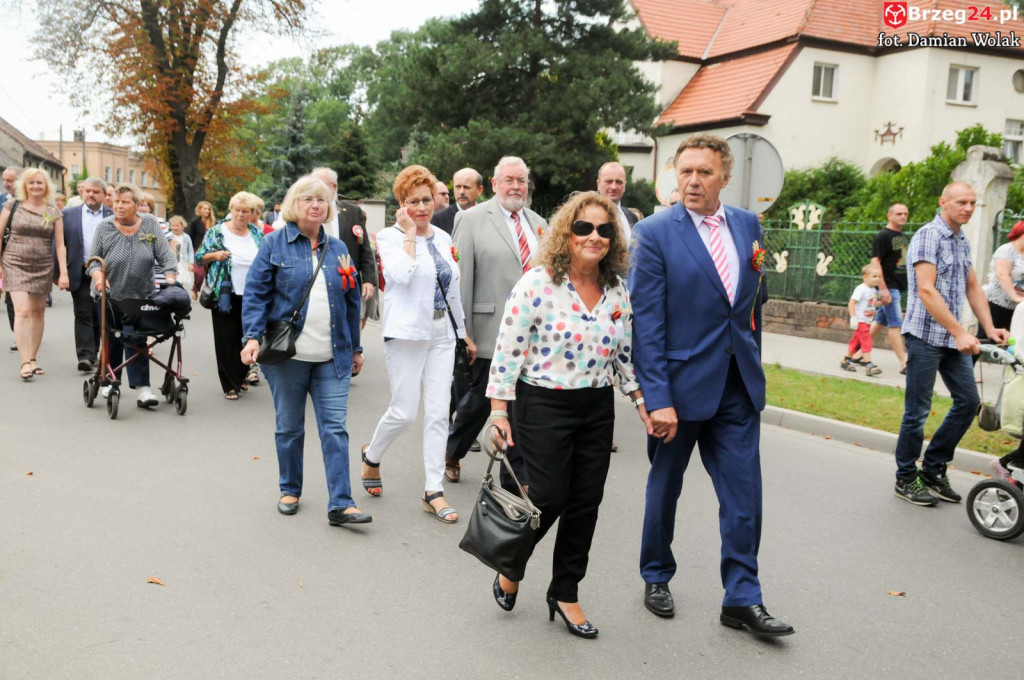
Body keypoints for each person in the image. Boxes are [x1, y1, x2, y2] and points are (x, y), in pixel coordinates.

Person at [630, 134, 794, 638]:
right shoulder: (656, 233)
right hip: (678, 390)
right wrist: (656, 397)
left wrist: (753, 362)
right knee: (666, 489)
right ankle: (656, 575)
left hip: (737, 387)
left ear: (724, 176)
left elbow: (751, 305)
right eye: (685, 172)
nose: (693, 181)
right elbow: (646, 323)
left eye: (703, 172)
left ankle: (742, 598)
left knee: (745, 496)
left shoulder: (748, 225)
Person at [486, 191, 650, 639]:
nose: (593, 236)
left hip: (596, 407)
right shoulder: (538, 283)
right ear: (567, 234)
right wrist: (499, 411)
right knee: (548, 496)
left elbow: (623, 355)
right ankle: (511, 565)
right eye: (584, 228)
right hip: (542, 404)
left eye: (604, 229)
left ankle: (565, 591)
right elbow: (507, 351)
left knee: (586, 503)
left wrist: (640, 402)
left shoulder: (616, 288)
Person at [240, 175, 370, 527]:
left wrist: (357, 347)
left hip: (332, 356)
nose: (315, 205)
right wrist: (252, 337)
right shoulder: (274, 244)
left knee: (335, 430)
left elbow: (351, 298)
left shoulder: (339, 248)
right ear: (294, 204)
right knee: (289, 428)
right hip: (287, 358)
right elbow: (255, 294)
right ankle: (290, 489)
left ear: (329, 208)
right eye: (308, 199)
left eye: (322, 200)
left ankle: (341, 502)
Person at [360, 165, 468, 524]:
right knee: (405, 411)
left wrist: (462, 332)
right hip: (407, 334)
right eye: (413, 202)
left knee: (439, 413)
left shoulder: (441, 236)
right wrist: (409, 234)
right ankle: (372, 456)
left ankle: (433, 490)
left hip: (441, 335)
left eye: (426, 200)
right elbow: (400, 276)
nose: (422, 207)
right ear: (401, 204)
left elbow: (451, 288)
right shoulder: (389, 238)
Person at [893, 181, 1010, 505]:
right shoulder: (929, 235)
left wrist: (989, 327)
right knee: (917, 412)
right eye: (961, 202)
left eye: (972, 203)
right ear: (943, 202)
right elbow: (926, 290)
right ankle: (905, 477)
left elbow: (973, 285)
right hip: (925, 337)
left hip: (952, 338)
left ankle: (932, 468)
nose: (968, 208)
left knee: (968, 402)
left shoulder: (961, 240)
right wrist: (960, 332)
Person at [445, 157, 548, 485]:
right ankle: (452, 451)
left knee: (521, 402)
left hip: (531, 332)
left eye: (521, 180)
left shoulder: (539, 223)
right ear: (494, 184)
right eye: (509, 180)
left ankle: (516, 474)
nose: (516, 186)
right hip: (489, 329)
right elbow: (461, 279)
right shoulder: (472, 219)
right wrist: (465, 334)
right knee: (478, 403)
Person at [87, 184, 177, 407]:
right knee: (111, 337)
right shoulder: (104, 227)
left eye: (124, 202)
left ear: (137, 205)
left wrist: (171, 280)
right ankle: (108, 379)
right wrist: (99, 278)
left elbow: (166, 257)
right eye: (116, 201)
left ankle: (143, 388)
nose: (118, 206)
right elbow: (93, 262)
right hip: (109, 294)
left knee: (137, 339)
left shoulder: (149, 224)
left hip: (140, 294)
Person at [0, 168, 69, 380]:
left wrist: (63, 272)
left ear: (46, 186)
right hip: (14, 262)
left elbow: (60, 245)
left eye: (39, 183)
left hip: (42, 264)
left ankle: (32, 357)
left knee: (38, 312)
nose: (35, 187)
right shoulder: (13, 206)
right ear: (25, 186)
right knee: (22, 311)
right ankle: (24, 362)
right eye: (31, 183)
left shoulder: (52, 211)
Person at [196, 191, 264, 400]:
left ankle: (241, 376)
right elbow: (199, 257)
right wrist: (216, 255)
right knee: (226, 339)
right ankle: (229, 384)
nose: (241, 215)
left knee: (245, 337)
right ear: (231, 210)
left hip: (252, 295)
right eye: (237, 210)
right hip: (224, 293)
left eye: (246, 211)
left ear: (252, 213)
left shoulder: (256, 233)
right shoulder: (217, 232)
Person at [60, 177, 112, 372]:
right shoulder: (68, 215)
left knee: (102, 315)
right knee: (83, 313)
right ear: (82, 192)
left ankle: (102, 355)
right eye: (88, 191)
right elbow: (58, 244)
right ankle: (85, 356)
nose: (91, 194)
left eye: (96, 192)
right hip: (80, 271)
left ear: (104, 195)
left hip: (107, 272)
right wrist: (60, 272)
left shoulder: (112, 215)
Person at [855, 204, 909, 372]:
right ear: (889, 215)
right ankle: (905, 363)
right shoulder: (883, 236)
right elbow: (875, 262)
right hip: (888, 286)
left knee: (879, 322)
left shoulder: (904, 236)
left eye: (905, 214)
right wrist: (883, 288)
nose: (903, 217)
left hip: (898, 286)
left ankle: (854, 355)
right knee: (895, 325)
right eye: (899, 213)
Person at [977, 220, 1024, 343]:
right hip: (997, 303)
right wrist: (1015, 297)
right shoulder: (1006, 250)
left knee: (1015, 342)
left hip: (1017, 307)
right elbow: (1002, 275)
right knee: (986, 338)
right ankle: (966, 362)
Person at [841, 264, 884, 376]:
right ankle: (868, 365)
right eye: (874, 276)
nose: (877, 279)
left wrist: (882, 302)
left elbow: (872, 303)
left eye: (879, 276)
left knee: (856, 342)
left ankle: (846, 360)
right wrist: (853, 317)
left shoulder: (873, 290)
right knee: (866, 341)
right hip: (861, 321)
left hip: (868, 321)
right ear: (865, 277)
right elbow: (852, 302)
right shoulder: (861, 289)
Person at [432, 167, 484, 235]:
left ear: (480, 190)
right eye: (458, 187)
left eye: (466, 187)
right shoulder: (438, 219)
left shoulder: (487, 217)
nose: (461, 192)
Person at [596, 161, 638, 242]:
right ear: (598, 184)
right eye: (609, 181)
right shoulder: (587, 215)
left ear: (625, 185)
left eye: (619, 182)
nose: (614, 187)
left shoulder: (632, 217)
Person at [2, 166, 21, 343]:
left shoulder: (33, 200)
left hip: (31, 259)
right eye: (4, 180)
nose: (6, 184)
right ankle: (18, 334)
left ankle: (27, 332)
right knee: (11, 299)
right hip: (8, 257)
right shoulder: (1, 200)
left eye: (10, 180)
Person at [187, 201, 215, 300]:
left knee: (209, 273)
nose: (207, 211)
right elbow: (189, 237)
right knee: (199, 273)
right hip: (198, 250)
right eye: (205, 208)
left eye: (208, 209)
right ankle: (195, 289)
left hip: (211, 251)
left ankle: (208, 293)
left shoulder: (213, 222)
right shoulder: (195, 222)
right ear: (199, 210)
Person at [168, 215, 194, 291]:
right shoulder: (168, 236)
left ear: (182, 226)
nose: (175, 227)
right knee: (172, 280)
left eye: (177, 225)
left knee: (180, 280)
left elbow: (190, 251)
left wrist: (191, 263)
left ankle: (178, 294)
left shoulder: (186, 237)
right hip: (172, 261)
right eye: (173, 225)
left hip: (183, 262)